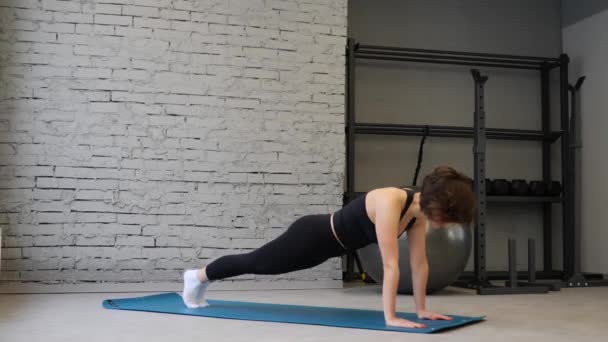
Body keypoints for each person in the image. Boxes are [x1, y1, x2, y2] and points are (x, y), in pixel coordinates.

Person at [182, 165, 475, 329]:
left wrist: (422, 309)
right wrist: (391, 317)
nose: (444, 224)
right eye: (445, 217)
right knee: (257, 263)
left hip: (328, 248)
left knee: (261, 264)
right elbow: (390, 264)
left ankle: (200, 278)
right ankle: (197, 276)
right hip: (311, 236)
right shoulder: (391, 201)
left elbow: (419, 262)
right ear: (434, 202)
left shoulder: (417, 214)